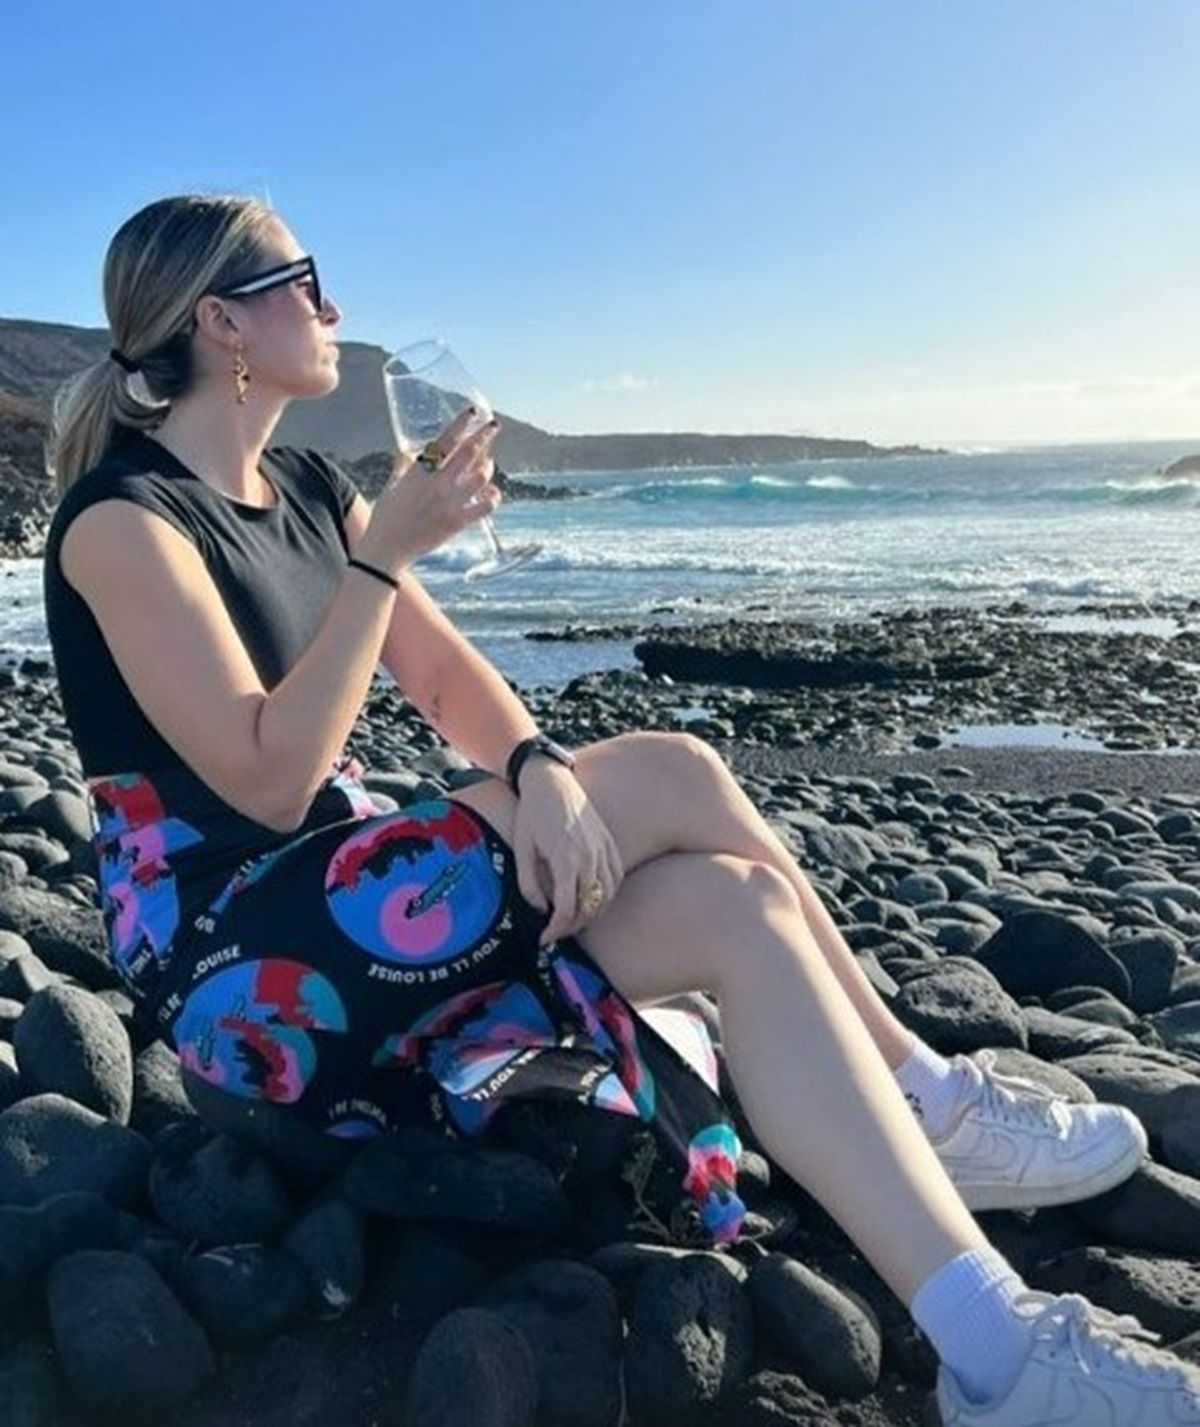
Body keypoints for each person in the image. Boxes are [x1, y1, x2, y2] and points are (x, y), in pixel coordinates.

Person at [40, 193, 1199, 1427]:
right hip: (241, 967)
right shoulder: (123, 520)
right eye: (305, 279)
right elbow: (266, 777)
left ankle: (996, 1349)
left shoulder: (314, 490)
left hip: (366, 911)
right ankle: (927, 1093)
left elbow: (438, 680)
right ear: (220, 318)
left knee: (733, 903)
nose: (334, 309)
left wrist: (536, 766)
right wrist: (389, 558)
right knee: (670, 769)